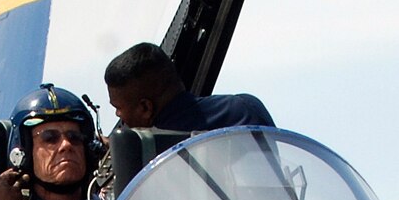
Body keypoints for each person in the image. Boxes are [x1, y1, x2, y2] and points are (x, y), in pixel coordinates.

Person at [104, 41, 273, 132]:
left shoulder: (147, 159)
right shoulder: (245, 109)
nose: (118, 115)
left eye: (118, 108)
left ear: (145, 108)